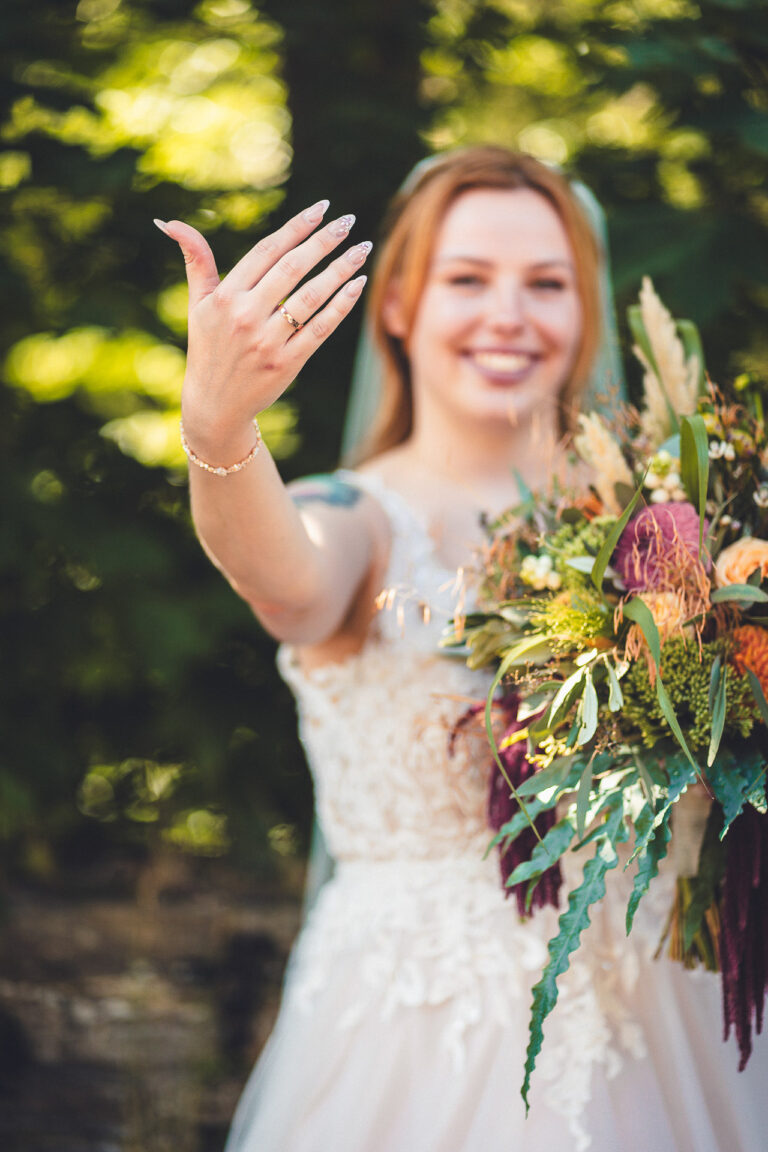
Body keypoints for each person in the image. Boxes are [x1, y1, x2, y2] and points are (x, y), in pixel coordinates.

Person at [155, 147, 766, 1151]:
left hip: (677, 1024)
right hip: (426, 1050)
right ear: (399, 304)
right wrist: (220, 433)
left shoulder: (680, 527)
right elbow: (285, 582)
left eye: (546, 283)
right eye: (468, 279)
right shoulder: (353, 518)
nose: (508, 315)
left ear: (586, 306)